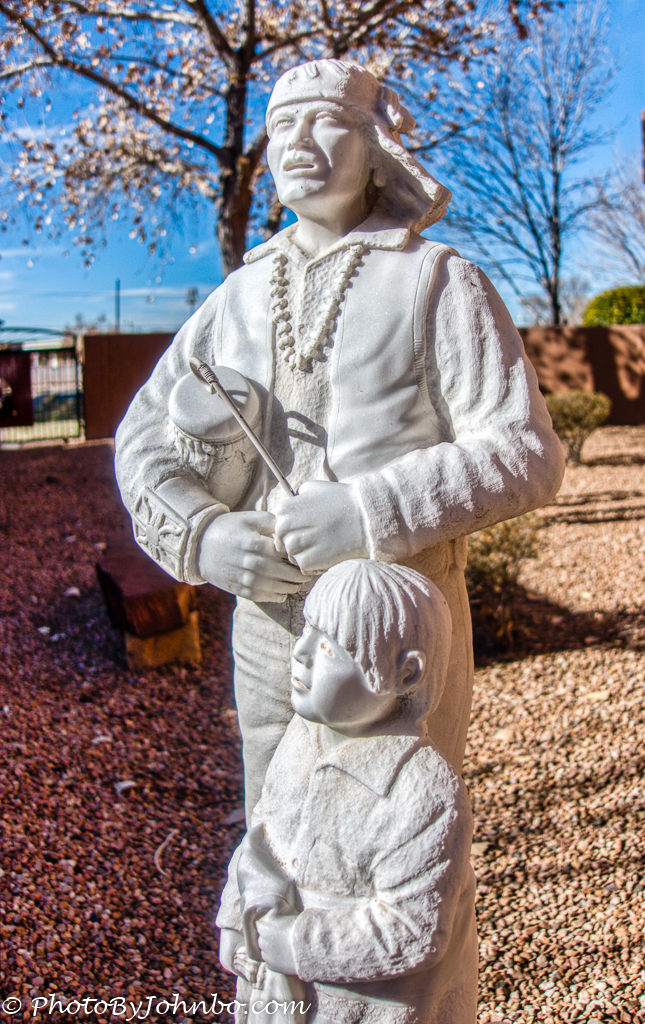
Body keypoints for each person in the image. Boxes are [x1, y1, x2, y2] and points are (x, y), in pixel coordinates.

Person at [115, 59, 565, 817]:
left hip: (397, 622)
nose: (296, 142)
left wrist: (366, 511)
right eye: (280, 127)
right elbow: (141, 443)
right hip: (268, 628)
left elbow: (525, 451)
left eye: (323, 120)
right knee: (276, 828)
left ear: (375, 146)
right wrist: (205, 535)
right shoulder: (233, 299)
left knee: (398, 825)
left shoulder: (437, 282)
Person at [216, 560, 478, 1024]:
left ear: (406, 674)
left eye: (329, 647)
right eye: (307, 630)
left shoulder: (424, 791)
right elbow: (263, 836)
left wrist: (297, 942)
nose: (301, 652)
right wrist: (238, 916)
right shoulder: (301, 739)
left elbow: (414, 930)